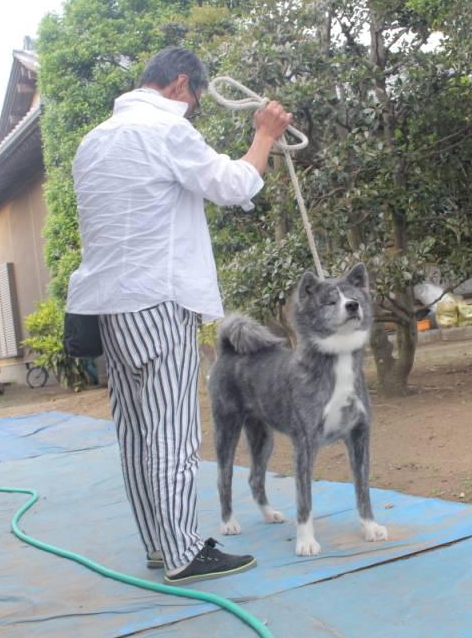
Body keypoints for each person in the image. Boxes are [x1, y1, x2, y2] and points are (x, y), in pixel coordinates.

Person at [65, 47, 292, 584]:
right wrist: (265, 136)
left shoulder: (93, 141)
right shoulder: (164, 130)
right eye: (192, 100)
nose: (192, 111)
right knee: (172, 434)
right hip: (159, 300)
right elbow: (234, 185)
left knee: (137, 434)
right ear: (181, 85)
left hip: (109, 307)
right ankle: (185, 553)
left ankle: (159, 545)